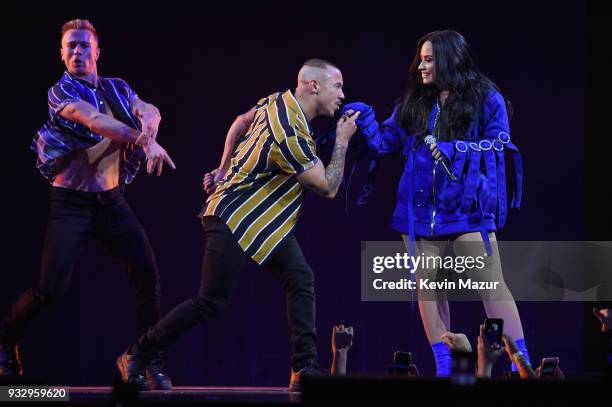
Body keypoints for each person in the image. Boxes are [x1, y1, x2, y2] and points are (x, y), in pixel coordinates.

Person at [117, 59, 360, 392]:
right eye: (338, 86)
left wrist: (222, 168)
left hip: (262, 223)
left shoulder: (276, 100)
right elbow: (328, 187)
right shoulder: (288, 131)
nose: (343, 95)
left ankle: (303, 368)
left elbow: (239, 122)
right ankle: (137, 354)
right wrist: (343, 141)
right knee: (211, 301)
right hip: (233, 216)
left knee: (300, 277)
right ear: (314, 85)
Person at [0, 19, 175, 390]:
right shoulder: (61, 92)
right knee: (50, 290)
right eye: (70, 47)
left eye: (83, 45)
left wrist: (149, 123)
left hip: (111, 203)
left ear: (97, 52)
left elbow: (150, 108)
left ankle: (142, 358)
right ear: (62, 55)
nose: (77, 52)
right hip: (71, 206)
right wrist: (145, 143)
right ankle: (4, 339)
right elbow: (96, 122)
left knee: (148, 275)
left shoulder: (117, 88)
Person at [342, 30, 529, 376]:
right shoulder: (416, 100)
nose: (421, 66)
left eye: (429, 59)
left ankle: (522, 364)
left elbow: (499, 145)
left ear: (449, 59)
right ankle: (446, 368)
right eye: (421, 58)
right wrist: (366, 123)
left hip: (467, 210)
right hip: (418, 213)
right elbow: (386, 142)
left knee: (490, 286)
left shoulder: (486, 97)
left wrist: (457, 150)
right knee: (430, 288)